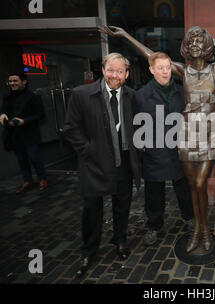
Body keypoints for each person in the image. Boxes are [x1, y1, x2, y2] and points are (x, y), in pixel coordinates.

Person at [100, 19, 215, 253]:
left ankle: (204, 230)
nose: (195, 44)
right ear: (186, 46)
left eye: (199, 40)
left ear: (207, 45)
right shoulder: (181, 70)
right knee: (193, 187)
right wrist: (126, 36)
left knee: (200, 183)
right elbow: (153, 58)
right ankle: (199, 230)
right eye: (191, 41)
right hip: (187, 132)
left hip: (209, 132)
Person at [62, 53, 141, 277]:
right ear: (103, 70)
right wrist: (88, 150)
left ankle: (120, 241)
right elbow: (71, 129)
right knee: (91, 210)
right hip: (93, 165)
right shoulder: (81, 94)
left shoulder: (131, 96)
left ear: (126, 74)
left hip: (123, 162)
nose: (114, 76)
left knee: (122, 206)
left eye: (119, 71)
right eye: (110, 70)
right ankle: (89, 250)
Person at [133, 52, 194, 246]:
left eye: (168, 67)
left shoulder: (181, 91)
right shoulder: (141, 95)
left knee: (184, 190)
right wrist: (143, 148)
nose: (165, 71)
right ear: (151, 70)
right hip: (154, 155)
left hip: (179, 153)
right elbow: (134, 125)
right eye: (160, 68)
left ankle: (189, 218)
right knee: (154, 195)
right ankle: (154, 226)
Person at [0, 72, 48, 193]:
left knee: (34, 157)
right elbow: (4, 110)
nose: (12, 83)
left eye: (15, 81)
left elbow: (40, 115)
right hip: (13, 134)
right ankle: (27, 180)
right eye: (10, 81)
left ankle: (42, 179)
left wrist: (24, 121)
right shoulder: (7, 97)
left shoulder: (34, 97)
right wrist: (2, 114)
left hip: (29, 133)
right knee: (21, 158)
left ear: (24, 82)